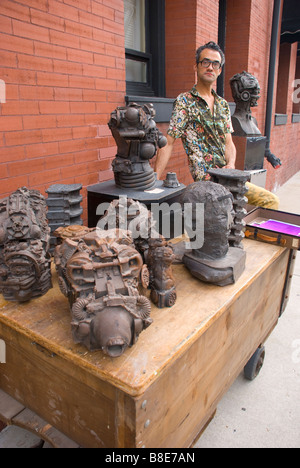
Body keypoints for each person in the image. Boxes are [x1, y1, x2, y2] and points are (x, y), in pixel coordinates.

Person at [155, 41, 279, 209]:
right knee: (261, 204)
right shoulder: (184, 101)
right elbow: (168, 143)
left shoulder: (223, 105)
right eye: (205, 62)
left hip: (227, 177)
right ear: (196, 67)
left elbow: (229, 143)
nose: (210, 67)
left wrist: (231, 164)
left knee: (268, 202)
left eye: (215, 64)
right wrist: (154, 181)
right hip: (208, 182)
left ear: (220, 70)